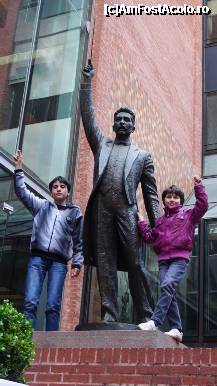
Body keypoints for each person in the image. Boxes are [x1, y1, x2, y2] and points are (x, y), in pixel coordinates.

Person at [80, 61, 160, 323]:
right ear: (113, 126)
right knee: (105, 261)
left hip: (127, 210)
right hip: (102, 209)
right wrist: (87, 82)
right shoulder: (101, 145)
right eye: (118, 119)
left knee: (135, 263)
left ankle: (146, 313)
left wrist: (159, 225)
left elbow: (151, 195)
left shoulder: (142, 156)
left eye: (127, 120)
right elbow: (88, 115)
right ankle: (109, 312)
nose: (122, 122)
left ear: (134, 126)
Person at [14, 150, 83, 331]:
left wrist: (77, 262)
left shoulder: (74, 212)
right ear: (51, 191)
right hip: (37, 258)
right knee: (30, 302)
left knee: (53, 305)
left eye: (62, 186)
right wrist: (18, 169)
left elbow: (78, 240)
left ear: (67, 191)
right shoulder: (42, 206)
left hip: (59, 263)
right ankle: (25, 343)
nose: (58, 188)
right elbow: (22, 192)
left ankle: (51, 345)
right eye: (55, 186)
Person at [137, 176, 208, 341]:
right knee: (168, 291)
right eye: (169, 197)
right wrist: (141, 223)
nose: (172, 199)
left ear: (181, 201)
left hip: (179, 259)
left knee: (168, 285)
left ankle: (155, 321)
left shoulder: (188, 215)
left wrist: (199, 187)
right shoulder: (160, 222)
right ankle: (177, 328)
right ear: (164, 200)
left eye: (175, 197)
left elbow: (203, 205)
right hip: (163, 261)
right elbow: (149, 237)